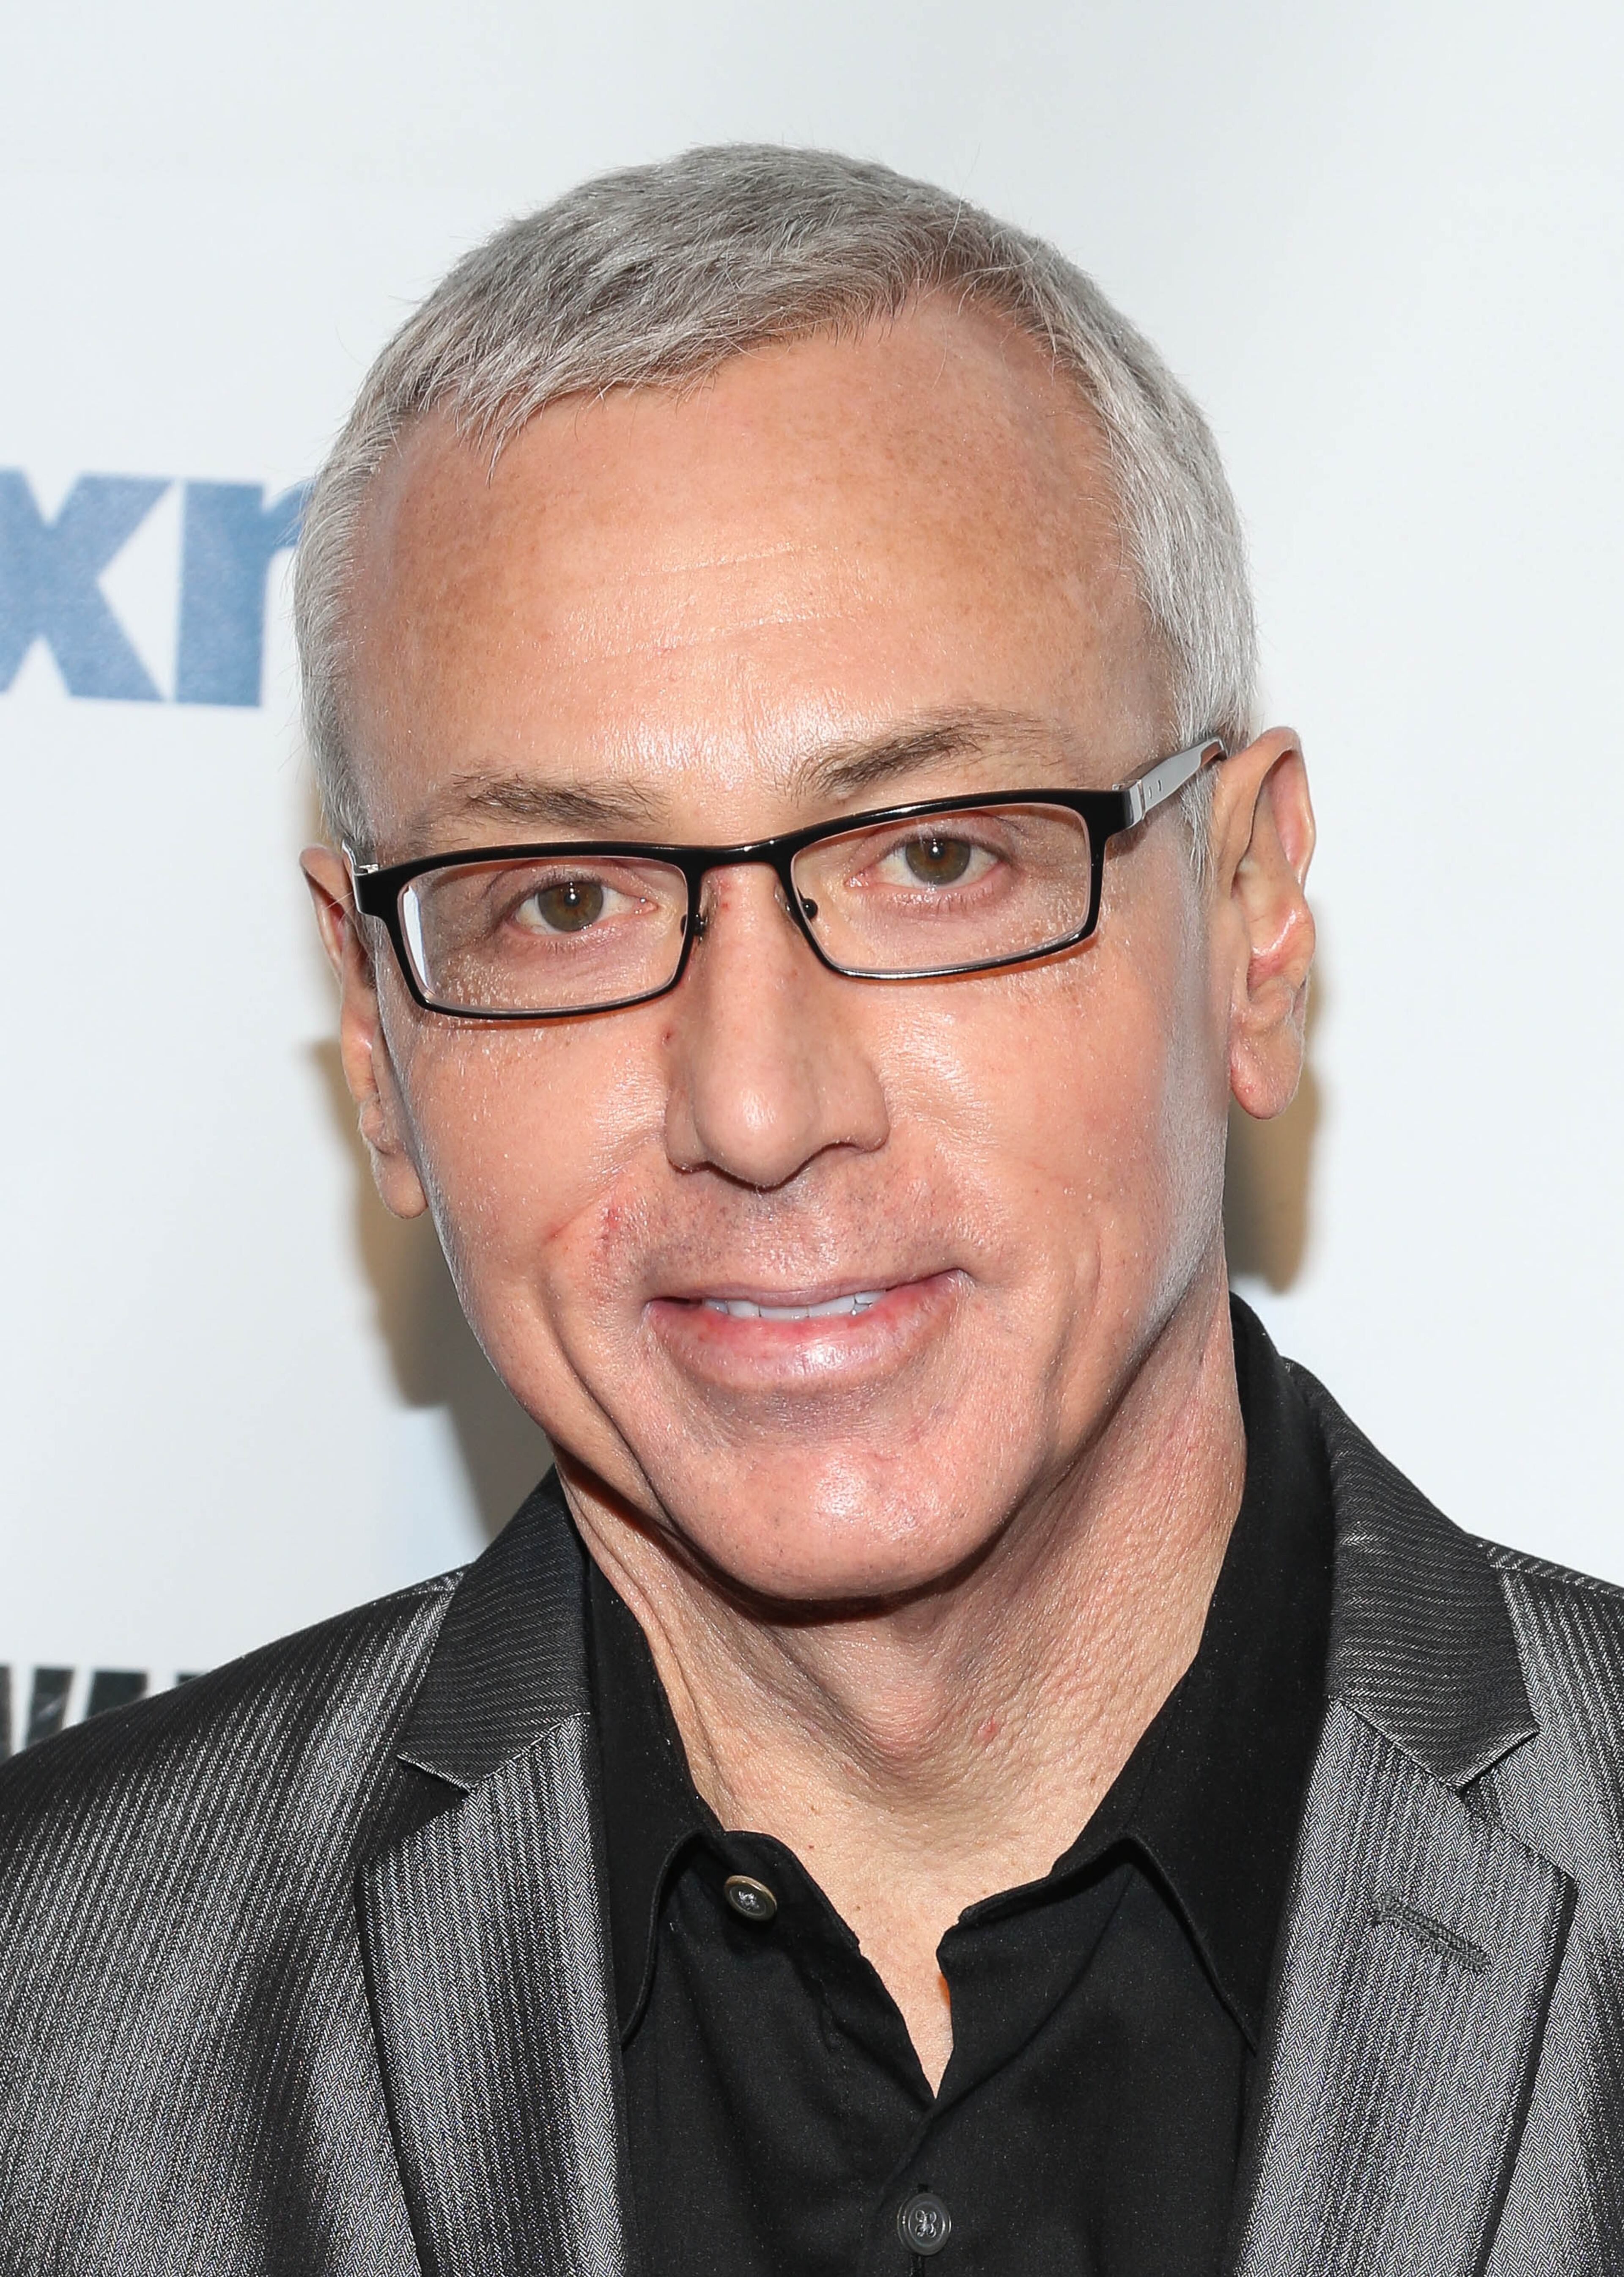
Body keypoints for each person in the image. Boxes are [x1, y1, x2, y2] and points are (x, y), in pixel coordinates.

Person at [1, 145, 1620, 2277]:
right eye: (563, 901)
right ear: (378, 1039)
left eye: (935, 855)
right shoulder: (51, 2032)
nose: (757, 1107)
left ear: (1250, 919)